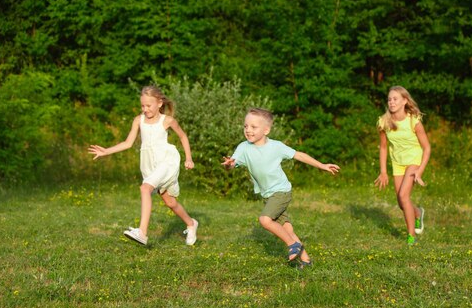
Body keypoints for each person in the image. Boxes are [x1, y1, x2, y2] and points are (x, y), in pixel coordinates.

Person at [222, 108, 340, 267]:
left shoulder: (276, 146)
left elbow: (298, 155)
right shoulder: (243, 147)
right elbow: (232, 164)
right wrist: (229, 165)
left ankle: (293, 245)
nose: (248, 130)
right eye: (245, 126)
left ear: (266, 130)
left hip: (281, 191)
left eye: (253, 127)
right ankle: (306, 260)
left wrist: (321, 165)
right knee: (288, 230)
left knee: (265, 219)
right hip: (267, 195)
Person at [89, 86, 199, 246]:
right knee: (170, 202)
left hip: (166, 161)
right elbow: (127, 143)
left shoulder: (167, 120)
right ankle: (191, 223)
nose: (145, 109)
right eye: (142, 106)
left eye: (149, 105)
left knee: (144, 188)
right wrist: (106, 151)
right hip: (149, 164)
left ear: (159, 103)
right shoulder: (138, 120)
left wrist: (188, 158)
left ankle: (142, 232)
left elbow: (183, 136)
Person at [374, 86, 431, 245]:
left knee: (403, 196)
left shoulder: (414, 120)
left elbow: (427, 147)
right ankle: (418, 213)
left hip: (414, 161)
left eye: (395, 99)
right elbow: (384, 147)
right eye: (389, 99)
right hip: (398, 164)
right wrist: (383, 171)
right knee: (401, 203)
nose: (391, 102)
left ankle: (411, 236)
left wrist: (420, 171)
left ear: (405, 101)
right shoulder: (383, 122)